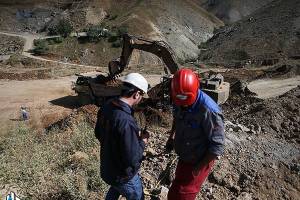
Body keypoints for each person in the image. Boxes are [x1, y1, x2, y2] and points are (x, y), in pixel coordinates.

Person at [166, 68, 225, 200]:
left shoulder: (209, 111)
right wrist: (172, 136)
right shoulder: (179, 97)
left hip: (199, 160)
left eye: (186, 103)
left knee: (182, 195)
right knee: (175, 189)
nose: (183, 106)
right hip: (184, 156)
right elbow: (177, 117)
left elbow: (217, 147)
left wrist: (198, 168)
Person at [95, 73, 150, 200]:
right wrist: (142, 141)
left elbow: (98, 133)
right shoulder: (126, 121)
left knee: (115, 187)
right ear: (136, 94)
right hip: (124, 177)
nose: (140, 99)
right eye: (141, 96)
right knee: (137, 196)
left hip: (108, 169)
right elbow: (132, 159)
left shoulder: (107, 106)